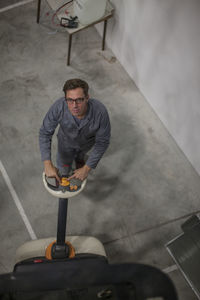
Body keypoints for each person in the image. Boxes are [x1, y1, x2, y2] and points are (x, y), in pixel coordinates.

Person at [39, 78, 111, 182]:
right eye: (70, 100)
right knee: (63, 171)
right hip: (65, 145)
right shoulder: (58, 107)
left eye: (79, 100)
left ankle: (79, 160)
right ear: (65, 99)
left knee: (81, 157)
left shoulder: (100, 112)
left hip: (86, 144)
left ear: (87, 98)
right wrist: (47, 163)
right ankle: (63, 194)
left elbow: (102, 142)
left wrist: (87, 168)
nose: (74, 106)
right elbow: (45, 133)